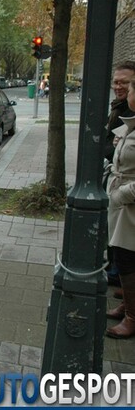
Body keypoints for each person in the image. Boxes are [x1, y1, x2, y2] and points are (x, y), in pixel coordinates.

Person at [105, 77, 135, 339]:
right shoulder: (130, 122)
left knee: (127, 259)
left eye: (130, 87)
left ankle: (132, 317)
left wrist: (120, 194)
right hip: (123, 204)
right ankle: (128, 305)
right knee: (123, 256)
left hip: (129, 206)